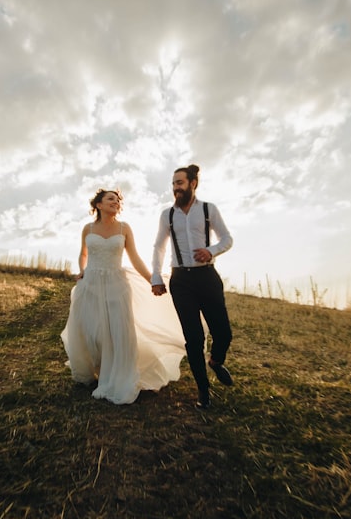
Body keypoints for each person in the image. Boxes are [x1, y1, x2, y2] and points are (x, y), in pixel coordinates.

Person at [61, 189, 184, 405]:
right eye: (111, 199)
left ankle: (118, 376)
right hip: (90, 284)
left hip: (116, 285)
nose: (116, 202)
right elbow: (83, 254)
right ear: (98, 205)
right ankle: (98, 368)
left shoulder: (124, 228)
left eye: (118, 200)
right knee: (93, 330)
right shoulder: (87, 228)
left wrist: (152, 279)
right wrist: (82, 269)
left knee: (119, 331)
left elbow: (135, 257)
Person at [151, 164, 235, 409]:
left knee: (223, 333)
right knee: (194, 338)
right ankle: (203, 392)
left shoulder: (209, 209)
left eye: (180, 182)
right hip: (181, 281)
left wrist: (211, 251)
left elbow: (227, 238)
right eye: (173, 183)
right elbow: (158, 246)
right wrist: (156, 277)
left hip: (207, 277)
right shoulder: (167, 215)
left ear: (192, 184)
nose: (175, 187)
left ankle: (216, 362)